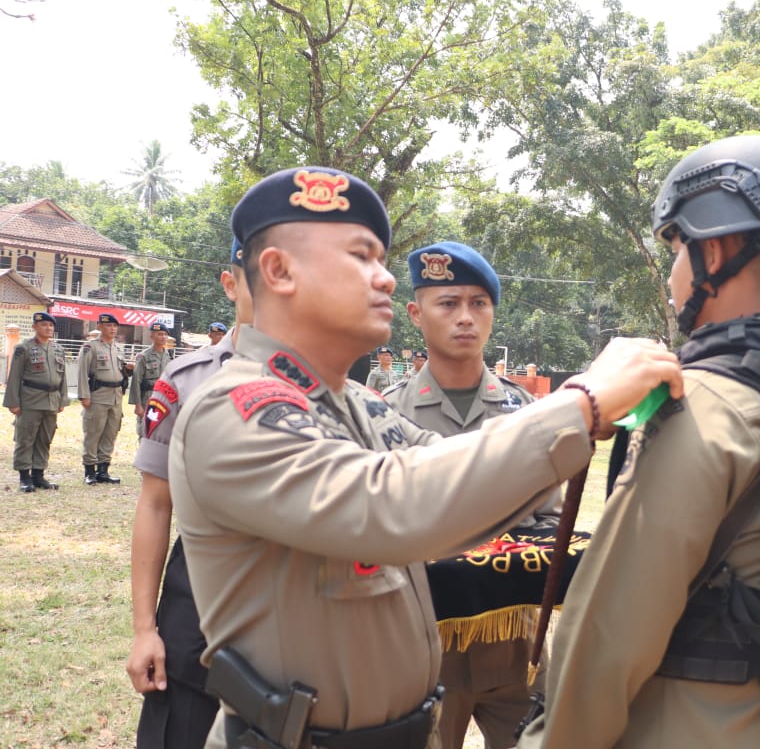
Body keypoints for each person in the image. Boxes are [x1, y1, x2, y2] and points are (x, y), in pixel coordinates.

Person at [168, 166, 681, 749]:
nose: (385, 279)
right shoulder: (237, 407)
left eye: (382, 259)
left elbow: (459, 471)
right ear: (279, 271)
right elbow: (395, 503)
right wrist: (580, 404)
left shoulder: (355, 403)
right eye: (362, 257)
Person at [519, 135, 760, 748]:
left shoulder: (702, 405)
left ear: (719, 248)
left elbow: (609, 638)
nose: (674, 273)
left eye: (677, 249)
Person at [384, 241, 559, 749]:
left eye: (478, 303)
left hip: (515, 644)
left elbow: (545, 521)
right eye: (448, 303)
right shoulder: (386, 414)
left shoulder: (526, 412)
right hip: (422, 646)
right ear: (416, 313)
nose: (466, 317)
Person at [126, 241, 251, 749]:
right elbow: (157, 504)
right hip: (194, 609)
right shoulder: (188, 379)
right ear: (230, 284)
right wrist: (143, 628)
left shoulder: (332, 392)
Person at [4, 311, 68, 492]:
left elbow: (62, 377)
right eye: (43, 325)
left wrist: (62, 399)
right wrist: (13, 402)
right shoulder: (23, 348)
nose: (48, 328)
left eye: (51, 325)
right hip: (30, 399)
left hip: (52, 400)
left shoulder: (58, 349)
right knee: (26, 438)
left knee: (45, 438)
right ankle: (24, 477)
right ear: (34, 327)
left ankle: (38, 476)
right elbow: (14, 376)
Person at [78, 312, 126, 485]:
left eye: (114, 326)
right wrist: (84, 395)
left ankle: (103, 470)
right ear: (99, 326)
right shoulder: (91, 347)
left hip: (116, 397)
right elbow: (82, 372)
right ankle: (89, 471)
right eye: (108, 325)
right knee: (93, 433)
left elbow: (120, 371)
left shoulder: (117, 348)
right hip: (97, 395)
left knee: (110, 433)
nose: (112, 328)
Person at [129, 323, 173, 440]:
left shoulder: (168, 356)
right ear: (152, 336)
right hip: (148, 398)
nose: (163, 337)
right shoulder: (143, 356)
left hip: (164, 399)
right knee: (145, 431)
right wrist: (138, 405)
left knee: (161, 430)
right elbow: (136, 381)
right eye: (160, 334)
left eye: (165, 334)